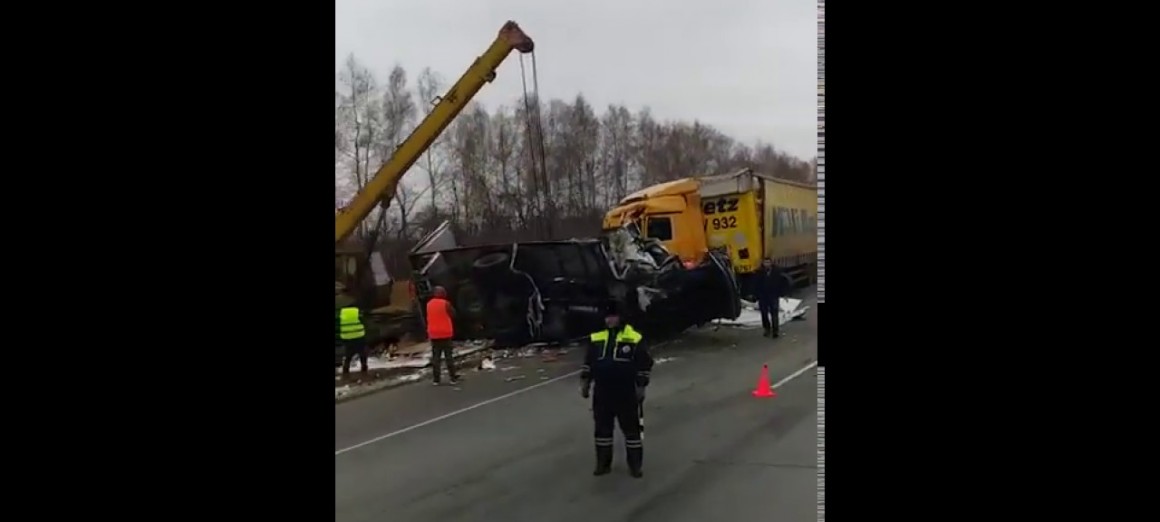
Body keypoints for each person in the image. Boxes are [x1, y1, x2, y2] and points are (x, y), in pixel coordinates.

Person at [580, 301, 653, 478]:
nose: (610, 320)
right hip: (603, 391)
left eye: (613, 316)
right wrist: (585, 382)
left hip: (626, 391)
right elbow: (589, 362)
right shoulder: (596, 338)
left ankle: (635, 466)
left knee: (631, 431)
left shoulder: (634, 337)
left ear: (621, 318)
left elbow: (645, 363)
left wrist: (641, 386)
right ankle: (603, 464)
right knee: (602, 430)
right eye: (608, 317)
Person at [426, 286, 460, 386]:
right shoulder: (446, 304)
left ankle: (436, 379)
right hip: (445, 333)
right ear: (442, 294)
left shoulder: (429, 304)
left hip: (434, 334)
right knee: (448, 356)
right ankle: (453, 378)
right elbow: (453, 314)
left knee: (436, 358)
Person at [757, 258, 789, 338]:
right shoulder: (759, 272)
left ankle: (775, 330)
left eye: (768, 262)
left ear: (771, 263)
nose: (767, 264)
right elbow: (755, 284)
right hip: (763, 296)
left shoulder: (777, 271)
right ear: (763, 263)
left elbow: (782, 283)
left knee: (774, 313)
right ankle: (767, 328)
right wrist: (755, 295)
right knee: (764, 313)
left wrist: (784, 294)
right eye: (765, 262)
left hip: (774, 295)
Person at [338, 305, 369, 378]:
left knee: (348, 355)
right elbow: (364, 322)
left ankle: (345, 370)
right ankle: (364, 368)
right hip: (359, 336)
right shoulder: (357, 311)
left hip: (347, 337)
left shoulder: (342, 312)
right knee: (362, 353)